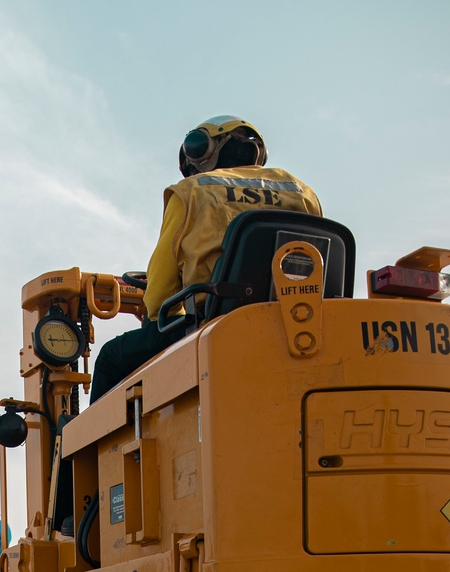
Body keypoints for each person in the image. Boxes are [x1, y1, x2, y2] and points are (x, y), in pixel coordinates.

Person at [90, 117, 322, 400]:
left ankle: (83, 446)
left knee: (110, 358)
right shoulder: (302, 192)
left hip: (211, 324)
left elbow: (159, 294)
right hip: (297, 322)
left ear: (201, 150)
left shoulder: (190, 192)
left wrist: (159, 319)